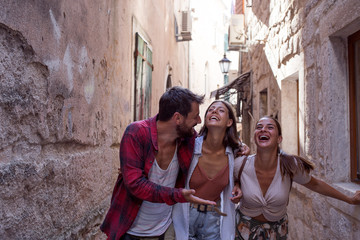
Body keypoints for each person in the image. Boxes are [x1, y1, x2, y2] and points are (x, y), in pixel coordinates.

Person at [100, 86, 217, 240]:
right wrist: (177, 195)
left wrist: (239, 151)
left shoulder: (189, 139)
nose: (199, 121)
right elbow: (135, 184)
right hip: (129, 230)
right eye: (195, 116)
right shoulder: (136, 133)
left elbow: (215, 150)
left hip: (164, 231)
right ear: (177, 118)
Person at [234, 116, 360, 240]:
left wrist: (349, 199)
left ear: (279, 139)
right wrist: (236, 184)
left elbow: (316, 184)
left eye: (270, 127)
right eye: (259, 127)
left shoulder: (290, 165)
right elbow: (223, 179)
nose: (263, 129)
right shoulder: (240, 164)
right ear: (254, 137)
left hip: (277, 232)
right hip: (243, 230)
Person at [173, 100, 244, 240]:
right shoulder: (189, 147)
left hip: (214, 218)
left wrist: (238, 184)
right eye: (211, 109)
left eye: (221, 110)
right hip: (186, 214)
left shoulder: (236, 153)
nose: (214, 111)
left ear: (229, 122)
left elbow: (243, 173)